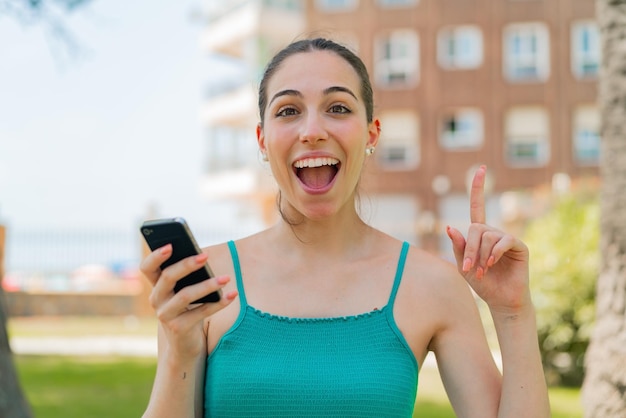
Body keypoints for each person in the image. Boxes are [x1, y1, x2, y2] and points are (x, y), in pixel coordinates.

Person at [140, 38, 550, 418]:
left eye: (338, 108)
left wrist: (513, 314)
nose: (312, 131)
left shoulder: (431, 285)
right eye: (288, 111)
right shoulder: (205, 282)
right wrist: (179, 349)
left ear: (372, 133)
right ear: (262, 141)